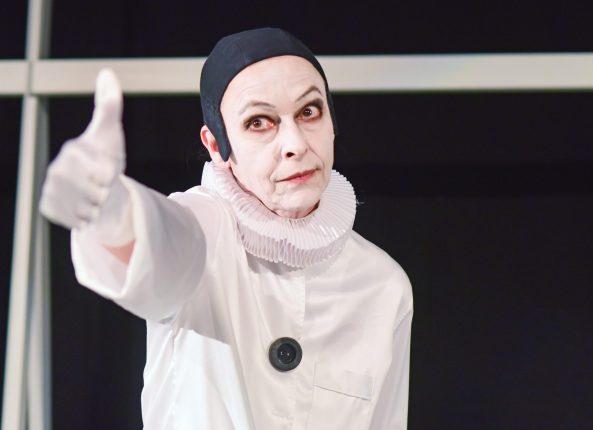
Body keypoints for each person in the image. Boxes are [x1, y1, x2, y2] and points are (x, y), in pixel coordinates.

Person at [39, 27, 413, 430]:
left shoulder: (383, 284)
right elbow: (161, 243)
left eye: (309, 112)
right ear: (217, 146)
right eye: (259, 122)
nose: (295, 144)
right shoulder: (205, 227)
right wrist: (110, 210)